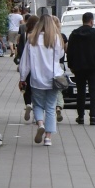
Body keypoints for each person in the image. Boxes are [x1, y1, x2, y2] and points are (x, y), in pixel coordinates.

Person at [18, 15, 65, 146]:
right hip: (53, 78)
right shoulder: (56, 38)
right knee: (50, 107)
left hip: (37, 78)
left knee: (37, 105)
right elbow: (60, 55)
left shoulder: (31, 39)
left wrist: (22, 78)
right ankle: (48, 138)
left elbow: (25, 62)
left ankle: (40, 124)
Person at [65, 12, 95, 127]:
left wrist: (70, 65)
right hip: (94, 67)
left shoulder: (74, 34)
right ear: (91, 21)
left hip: (79, 67)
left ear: (83, 20)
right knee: (93, 91)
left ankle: (80, 116)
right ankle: (93, 117)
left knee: (80, 92)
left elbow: (70, 51)